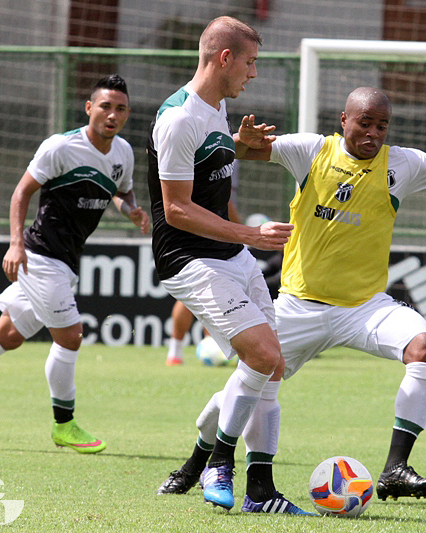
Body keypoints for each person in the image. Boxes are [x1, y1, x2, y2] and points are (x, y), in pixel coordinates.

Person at [158, 87, 426, 502]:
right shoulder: (310, 151)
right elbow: (234, 155)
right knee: (249, 385)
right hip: (299, 306)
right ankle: (197, 462)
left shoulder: (403, 164)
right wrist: (237, 142)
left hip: (365, 307)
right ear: (344, 121)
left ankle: (395, 469)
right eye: (364, 123)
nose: (373, 133)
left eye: (382, 125)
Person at [0, 74, 150, 454]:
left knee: (8, 335)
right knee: (70, 335)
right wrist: (16, 244)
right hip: (40, 256)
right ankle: (64, 424)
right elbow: (21, 192)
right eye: (105, 106)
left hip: (65, 261)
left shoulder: (123, 153)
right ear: (89, 108)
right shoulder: (60, 148)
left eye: (120, 109)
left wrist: (130, 210)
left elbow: (121, 189)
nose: (112, 114)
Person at [147, 16, 311, 515]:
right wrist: (250, 234)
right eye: (250, 62)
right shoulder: (179, 118)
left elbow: (210, 165)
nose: (254, 73)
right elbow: (175, 208)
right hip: (188, 257)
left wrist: (238, 146)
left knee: (271, 367)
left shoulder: (214, 109)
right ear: (224, 58)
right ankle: (222, 462)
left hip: (228, 255)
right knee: (261, 357)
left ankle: (251, 487)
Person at [165, 198, 240, 366]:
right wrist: (242, 232)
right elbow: (225, 199)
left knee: (198, 291)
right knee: (205, 289)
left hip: (180, 235)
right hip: (205, 233)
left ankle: (178, 351)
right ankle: (203, 344)